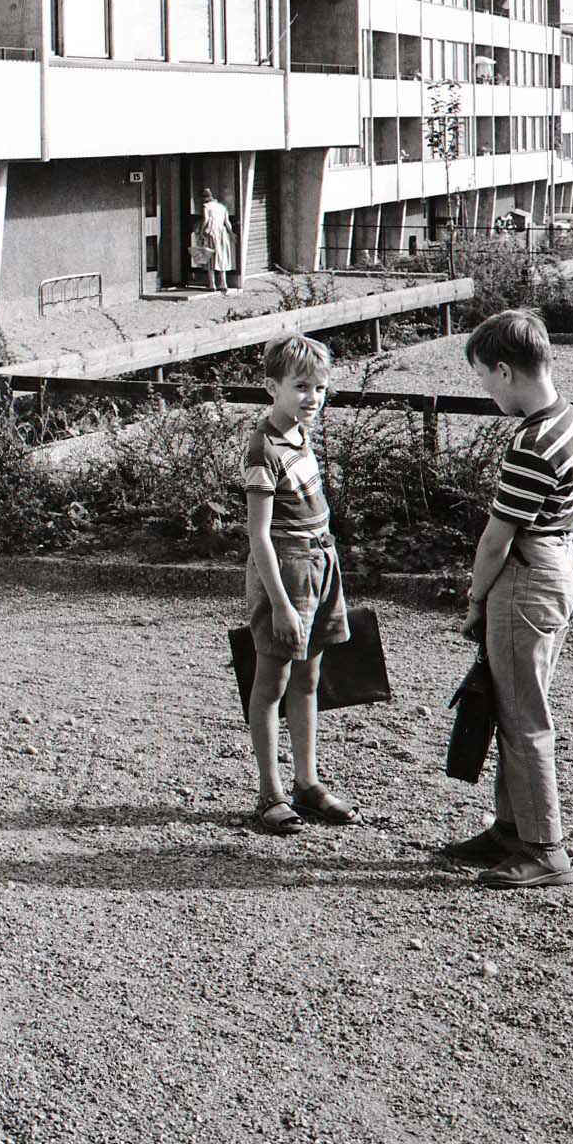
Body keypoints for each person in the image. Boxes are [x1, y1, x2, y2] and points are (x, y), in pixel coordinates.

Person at [438, 306, 573, 889]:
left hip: (527, 577)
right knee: (513, 706)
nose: (483, 387)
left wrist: (477, 601)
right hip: (558, 566)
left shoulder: (531, 441)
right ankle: (510, 829)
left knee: (525, 717)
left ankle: (544, 848)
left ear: (505, 371)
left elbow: (495, 539)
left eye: (482, 374)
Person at [241, 334, 352, 833]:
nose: (312, 398)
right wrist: (282, 604)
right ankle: (270, 793)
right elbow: (259, 536)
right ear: (272, 387)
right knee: (272, 682)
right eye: (301, 387)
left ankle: (307, 782)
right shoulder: (262, 447)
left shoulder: (301, 436)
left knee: (309, 677)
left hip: (320, 560)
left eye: (321, 389)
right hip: (285, 568)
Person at [197, 187, 235, 294]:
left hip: (211, 233)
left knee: (210, 257)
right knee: (221, 257)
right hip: (222, 233)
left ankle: (212, 283)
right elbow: (227, 222)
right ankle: (223, 283)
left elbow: (206, 220)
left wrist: (201, 231)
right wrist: (231, 233)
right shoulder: (222, 207)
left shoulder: (206, 207)